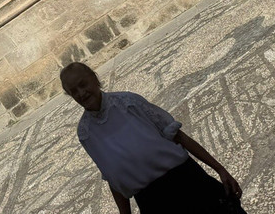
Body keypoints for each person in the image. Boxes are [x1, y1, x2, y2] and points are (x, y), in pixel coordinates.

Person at [61, 62, 245, 213]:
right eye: (73, 91)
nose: (81, 93)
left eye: (83, 84)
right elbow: (114, 178)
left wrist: (220, 169)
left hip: (188, 183)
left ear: (94, 78)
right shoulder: (86, 133)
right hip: (152, 202)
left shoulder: (129, 103)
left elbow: (179, 136)